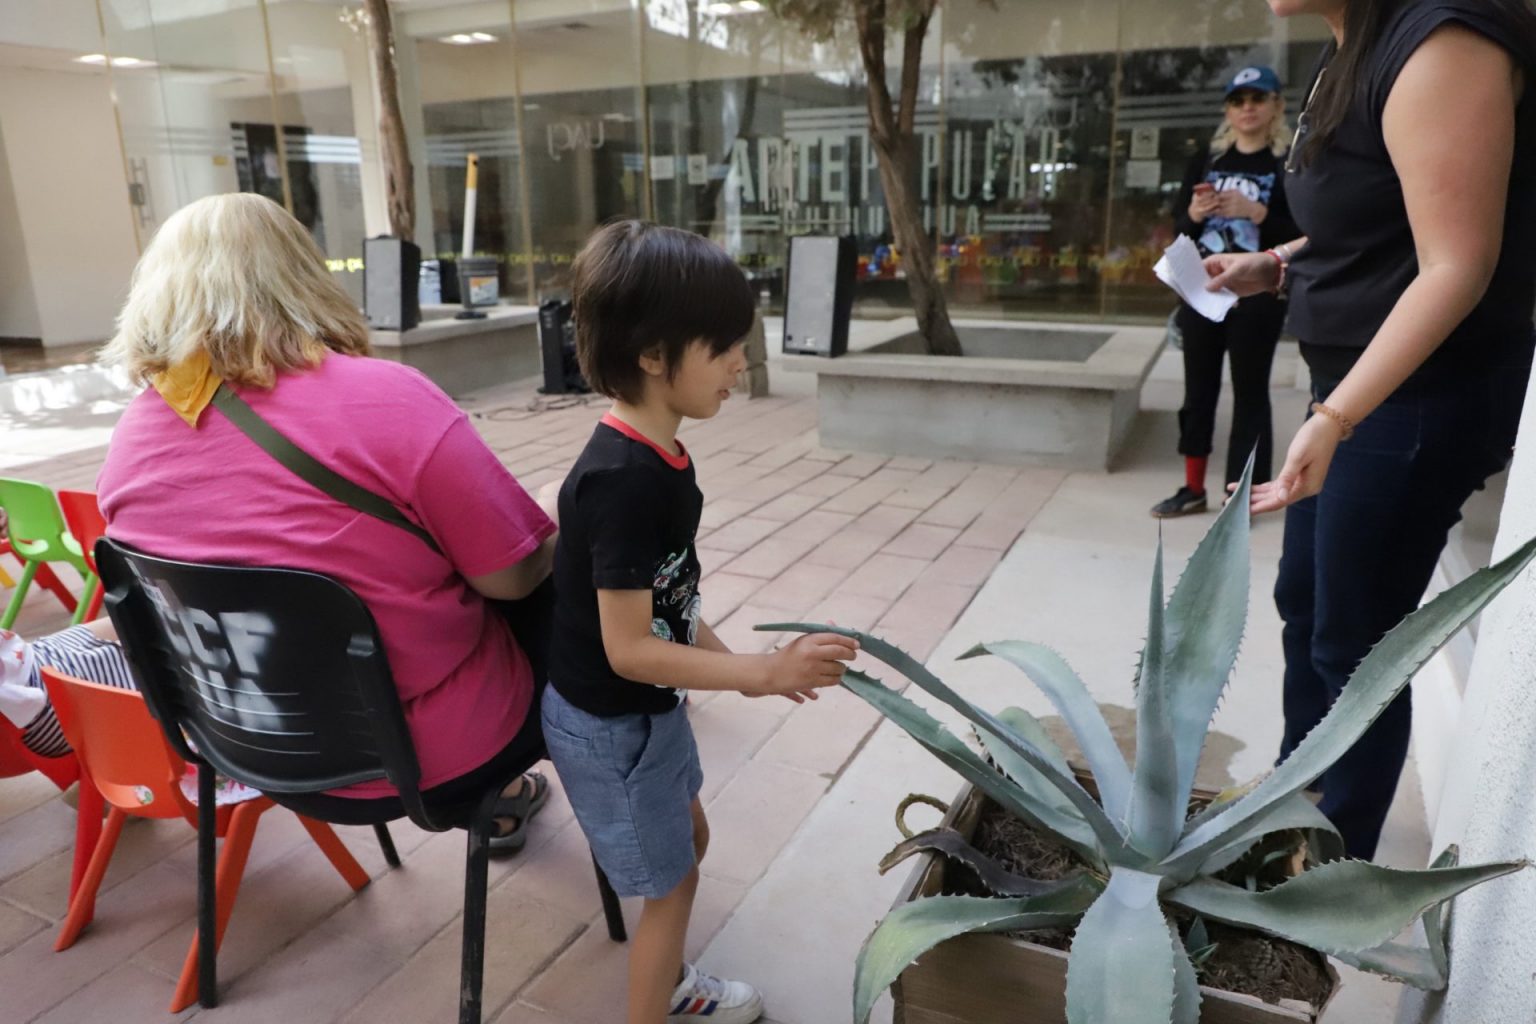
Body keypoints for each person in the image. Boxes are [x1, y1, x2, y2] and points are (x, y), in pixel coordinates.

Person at [96, 193, 556, 850]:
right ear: (302, 277)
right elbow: (511, 579)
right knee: (562, 553)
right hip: (436, 754)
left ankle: (504, 799)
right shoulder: (389, 397)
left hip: (248, 747)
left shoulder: (129, 441)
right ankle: (622, 793)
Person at [1205, 0, 1536, 859]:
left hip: (1418, 400)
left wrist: (1336, 416)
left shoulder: (1442, 43)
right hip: (1353, 390)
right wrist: (1274, 264)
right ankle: (1293, 797)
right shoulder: (1350, 48)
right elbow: (1375, 220)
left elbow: (1456, 263)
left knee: (1357, 644)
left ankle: (1326, 863)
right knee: (1308, 603)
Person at [542, 221, 858, 1024]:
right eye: (722, 349)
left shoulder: (659, 456)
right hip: (613, 726)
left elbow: (669, 600)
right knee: (676, 881)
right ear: (654, 355)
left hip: (646, 715)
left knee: (692, 838)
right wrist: (760, 672)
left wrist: (746, 672)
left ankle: (668, 979)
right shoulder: (622, 482)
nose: (740, 364)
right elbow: (628, 649)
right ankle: (662, 1001)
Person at [1152, 66, 1297, 518]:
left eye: (1257, 98)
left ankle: (1242, 496)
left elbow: (1303, 235)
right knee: (1198, 391)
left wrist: (1257, 213)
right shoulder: (1207, 161)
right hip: (1203, 291)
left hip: (1258, 297)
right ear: (1227, 110)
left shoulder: (1286, 163)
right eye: (1238, 100)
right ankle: (1192, 487)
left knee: (1251, 393)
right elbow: (1180, 228)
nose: (1247, 108)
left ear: (1276, 105)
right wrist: (1196, 214)